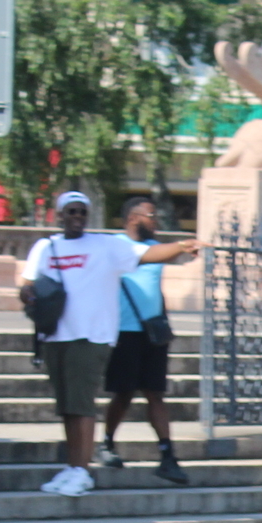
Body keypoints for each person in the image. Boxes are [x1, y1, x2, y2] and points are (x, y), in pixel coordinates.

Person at [17, 191, 198, 496]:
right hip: (55, 336)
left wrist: (182, 245)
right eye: (71, 212)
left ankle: (83, 471)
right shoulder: (46, 247)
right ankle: (73, 467)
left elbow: (148, 255)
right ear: (59, 215)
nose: (77, 217)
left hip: (90, 336)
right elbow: (27, 283)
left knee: (82, 404)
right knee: (68, 407)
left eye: (82, 212)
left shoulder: (104, 245)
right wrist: (29, 297)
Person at [99, 197, 190, 485]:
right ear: (133, 218)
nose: (157, 220)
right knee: (123, 392)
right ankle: (107, 442)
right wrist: (183, 245)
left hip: (151, 332)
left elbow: (155, 285)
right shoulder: (115, 245)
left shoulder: (156, 248)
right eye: (152, 215)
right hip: (123, 331)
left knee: (155, 393)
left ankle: (167, 455)